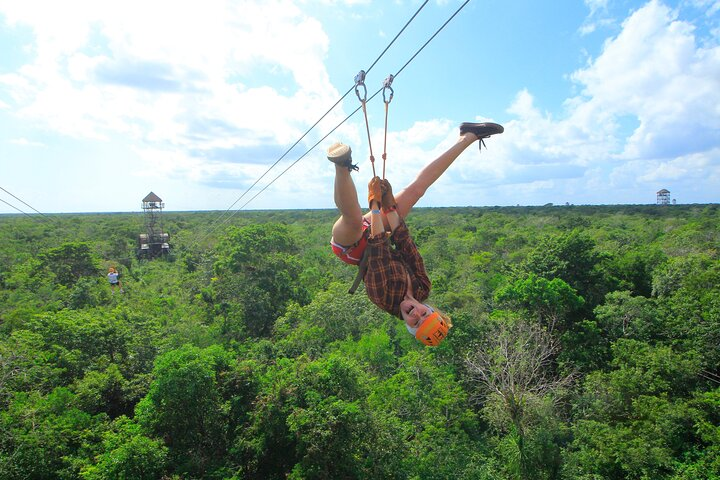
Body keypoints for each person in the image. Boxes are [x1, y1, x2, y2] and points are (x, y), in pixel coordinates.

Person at [328, 121, 504, 345]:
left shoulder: (383, 298)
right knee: (416, 190)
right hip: (378, 232)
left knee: (353, 221)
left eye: (415, 322)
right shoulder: (422, 286)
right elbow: (405, 243)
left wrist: (375, 204)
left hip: (353, 248)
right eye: (424, 314)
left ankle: (342, 165)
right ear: (429, 308)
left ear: (408, 326)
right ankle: (468, 136)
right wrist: (389, 204)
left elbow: (379, 246)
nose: (415, 314)